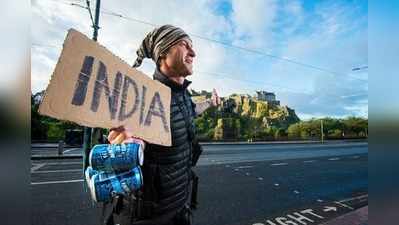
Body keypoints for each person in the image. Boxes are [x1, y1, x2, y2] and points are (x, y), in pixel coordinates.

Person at [103, 24, 221, 225]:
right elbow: (129, 141)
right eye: (185, 45)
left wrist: (210, 103)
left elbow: (190, 109)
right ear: (163, 54)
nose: (193, 52)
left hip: (180, 206)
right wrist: (126, 146)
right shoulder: (143, 97)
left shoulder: (181, 94)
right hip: (151, 217)